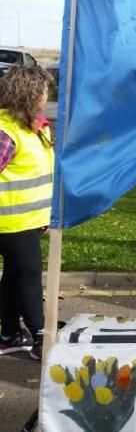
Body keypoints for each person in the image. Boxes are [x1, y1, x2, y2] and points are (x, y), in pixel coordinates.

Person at [0, 66, 55, 361]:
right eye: (43, 92)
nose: (46, 98)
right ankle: (40, 339)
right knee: (30, 277)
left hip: (27, 220)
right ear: (29, 94)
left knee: (13, 276)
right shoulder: (5, 131)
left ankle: (8, 335)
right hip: (9, 222)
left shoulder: (35, 126)